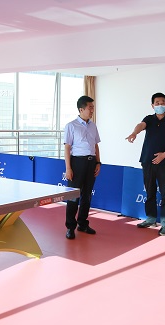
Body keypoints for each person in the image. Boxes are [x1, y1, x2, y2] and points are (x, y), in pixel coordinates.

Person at [125, 92, 165, 236]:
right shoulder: (149, 119)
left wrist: (164, 154)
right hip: (147, 161)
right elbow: (141, 125)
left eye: (162, 102)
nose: (160, 105)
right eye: (157, 103)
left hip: (164, 163)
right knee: (150, 191)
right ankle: (150, 219)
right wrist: (134, 133)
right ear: (152, 105)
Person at [64, 95, 101, 240]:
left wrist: (98, 163)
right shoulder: (71, 126)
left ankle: (83, 223)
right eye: (90, 108)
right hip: (77, 163)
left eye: (93, 107)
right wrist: (68, 168)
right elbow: (67, 148)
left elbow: (95, 145)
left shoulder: (93, 126)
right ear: (81, 109)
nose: (92, 110)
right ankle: (70, 227)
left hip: (91, 163)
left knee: (87, 195)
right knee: (73, 196)